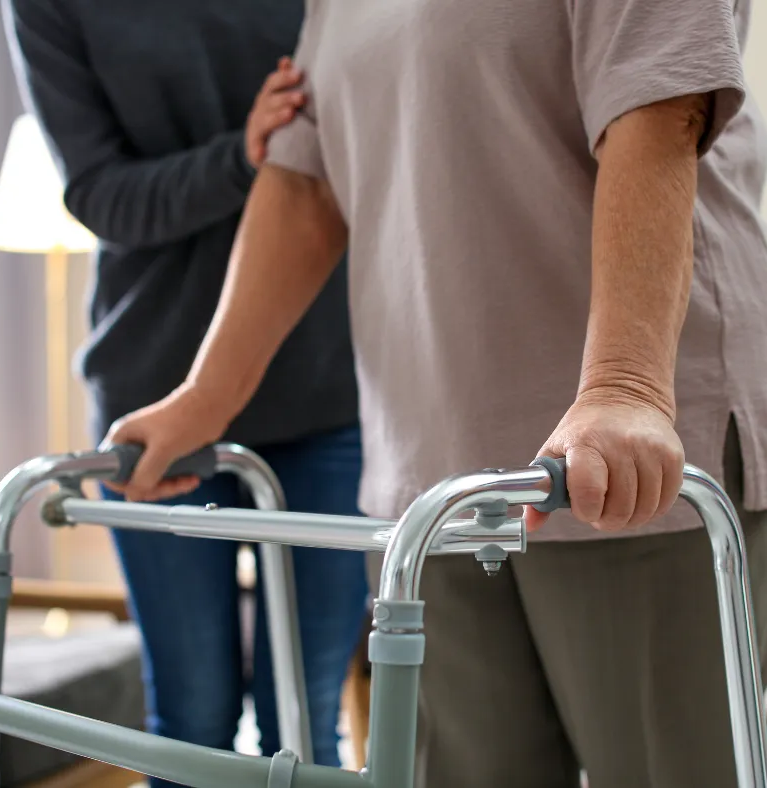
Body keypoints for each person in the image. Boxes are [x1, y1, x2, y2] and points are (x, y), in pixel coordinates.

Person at [104, 1, 767, 786]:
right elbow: (307, 182)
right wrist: (205, 398)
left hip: (622, 462)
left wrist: (625, 384)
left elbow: (659, 108)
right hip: (431, 481)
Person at [2, 0, 370, 779]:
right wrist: (242, 153)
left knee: (300, 720)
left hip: (327, 389)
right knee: (190, 719)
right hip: (157, 395)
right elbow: (100, 196)